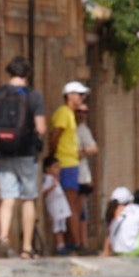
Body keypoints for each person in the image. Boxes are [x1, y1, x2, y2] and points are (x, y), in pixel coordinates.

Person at [0, 55, 48, 260]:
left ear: (9, 72)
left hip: (2, 152)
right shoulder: (34, 96)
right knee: (27, 199)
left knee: (7, 197)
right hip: (26, 152)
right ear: (28, 74)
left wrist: (1, 134)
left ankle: (3, 236)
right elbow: (41, 128)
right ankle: (26, 248)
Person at [48, 80, 90, 251]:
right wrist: (52, 156)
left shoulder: (70, 114)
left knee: (72, 204)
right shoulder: (64, 113)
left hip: (71, 163)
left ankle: (76, 241)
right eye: (79, 95)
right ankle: (75, 241)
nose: (82, 98)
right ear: (69, 96)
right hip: (65, 163)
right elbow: (55, 135)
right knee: (70, 204)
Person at [75, 100, 99, 251]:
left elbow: (94, 149)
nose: (83, 115)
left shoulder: (83, 129)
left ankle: (83, 242)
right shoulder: (69, 126)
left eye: (85, 112)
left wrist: (80, 153)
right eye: (80, 111)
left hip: (82, 176)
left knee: (80, 209)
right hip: (71, 173)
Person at [41, 157, 73, 255]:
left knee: (62, 226)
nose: (58, 169)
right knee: (58, 227)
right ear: (47, 169)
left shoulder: (54, 178)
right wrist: (52, 187)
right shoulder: (47, 179)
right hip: (55, 206)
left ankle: (63, 244)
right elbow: (43, 192)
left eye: (59, 167)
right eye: (55, 167)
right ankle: (60, 247)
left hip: (60, 205)